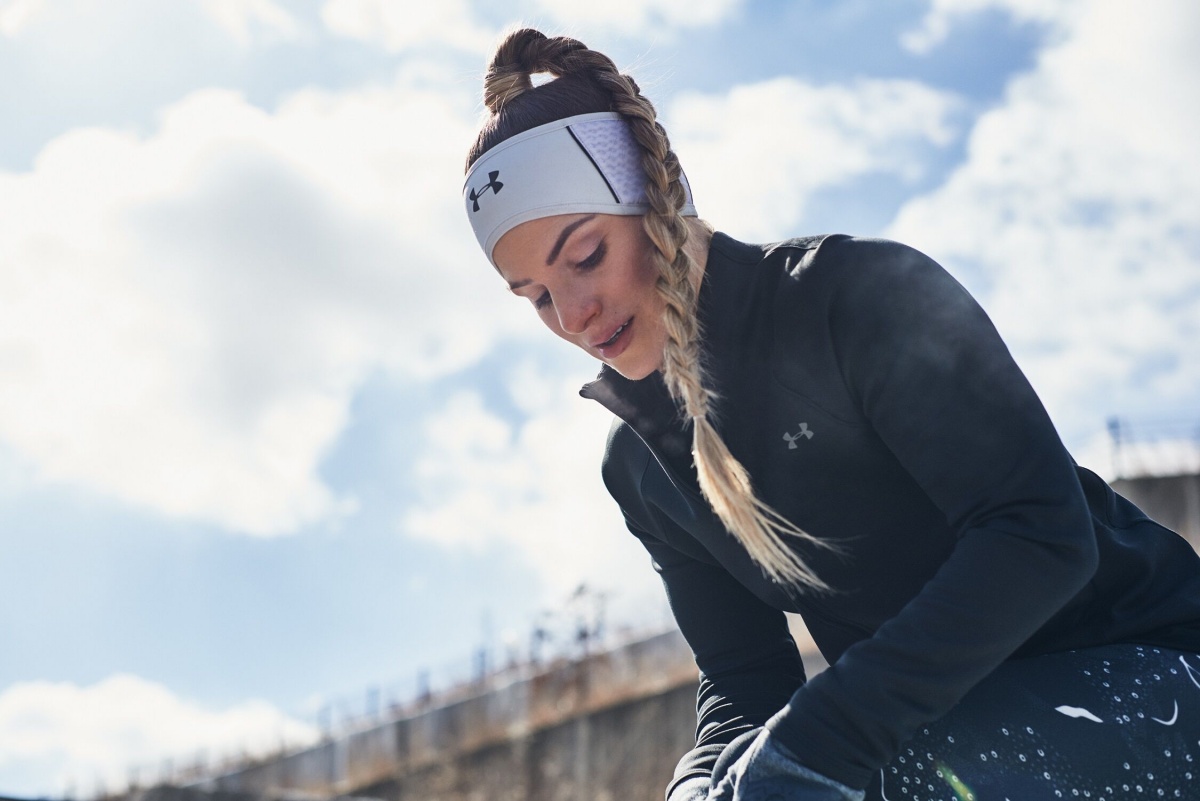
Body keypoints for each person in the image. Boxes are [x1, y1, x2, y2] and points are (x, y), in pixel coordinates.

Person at [462, 28, 1200, 801]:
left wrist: (821, 740)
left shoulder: (857, 299)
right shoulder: (642, 465)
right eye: (537, 297)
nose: (573, 315)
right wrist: (698, 785)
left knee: (878, 779)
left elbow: (1039, 534)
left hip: (1155, 674)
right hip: (943, 736)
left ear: (657, 196)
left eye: (586, 256)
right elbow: (744, 676)